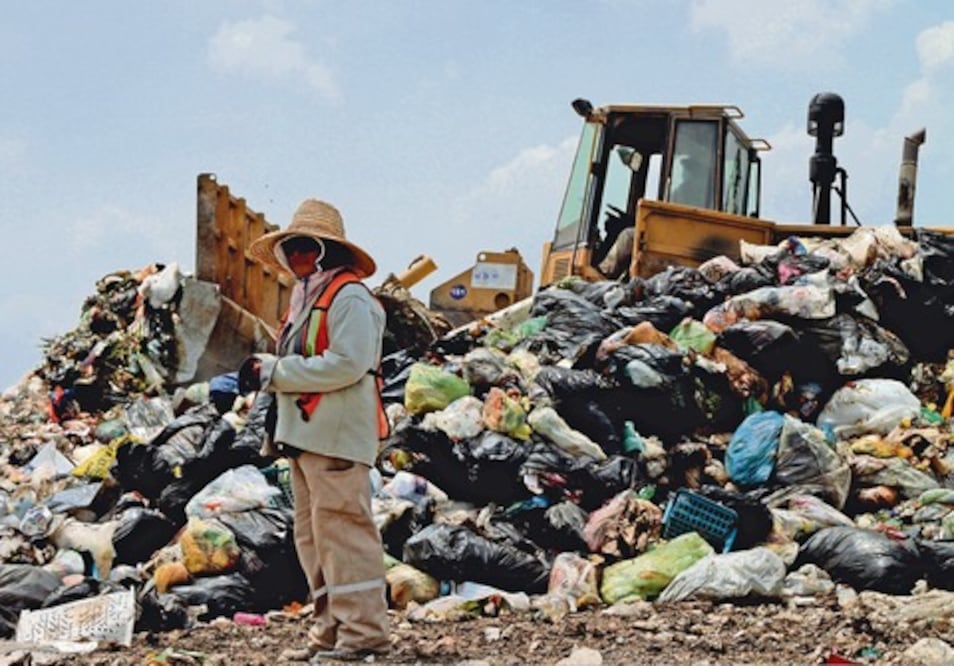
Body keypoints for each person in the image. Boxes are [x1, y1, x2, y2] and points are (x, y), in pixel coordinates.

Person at [239, 198, 389, 662]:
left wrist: (276, 372)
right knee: (314, 539)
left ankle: (363, 635)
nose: (299, 257)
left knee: (345, 535)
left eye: (308, 248)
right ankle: (329, 630)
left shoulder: (349, 298)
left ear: (328, 252)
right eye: (293, 249)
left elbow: (349, 363)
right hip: (306, 436)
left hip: (338, 436)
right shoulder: (307, 296)